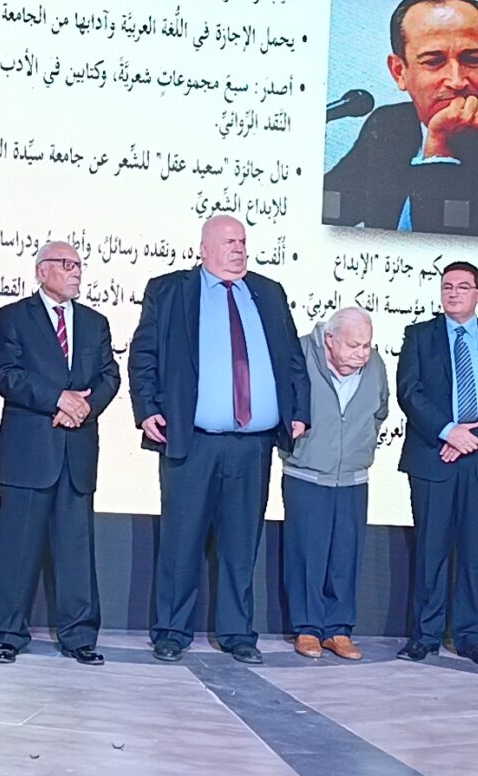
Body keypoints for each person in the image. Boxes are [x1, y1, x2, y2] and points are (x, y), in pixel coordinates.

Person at [129, 216, 310, 665]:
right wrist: (147, 408)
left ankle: (237, 633)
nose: (239, 249)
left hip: (253, 445)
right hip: (194, 442)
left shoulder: (268, 292)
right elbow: (144, 354)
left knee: (241, 544)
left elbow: (291, 358)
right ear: (204, 248)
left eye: (243, 241)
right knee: (181, 541)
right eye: (229, 241)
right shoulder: (170, 290)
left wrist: (300, 412)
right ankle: (172, 631)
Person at [0, 241, 119, 665]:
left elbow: (109, 376)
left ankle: (79, 636)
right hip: (29, 453)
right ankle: (9, 634)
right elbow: (8, 376)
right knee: (18, 548)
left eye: (79, 264)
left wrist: (83, 408)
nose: (76, 271)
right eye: (66, 264)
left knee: (76, 550)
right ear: (42, 271)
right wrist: (58, 399)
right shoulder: (12, 317)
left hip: (77, 452)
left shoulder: (95, 322)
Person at [322, 0, 478, 240]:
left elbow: (443, 250)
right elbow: (331, 208)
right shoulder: (387, 125)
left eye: (473, 59)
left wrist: (439, 150)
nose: (457, 81)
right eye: (433, 62)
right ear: (399, 72)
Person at [395, 261, 478, 665]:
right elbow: (409, 392)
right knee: (430, 551)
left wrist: (470, 438)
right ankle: (425, 635)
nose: (453, 293)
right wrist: (448, 431)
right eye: (447, 286)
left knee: (474, 554)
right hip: (433, 457)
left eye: (463, 287)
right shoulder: (419, 336)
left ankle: (471, 637)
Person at [280, 307, 388, 661]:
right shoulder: (299, 354)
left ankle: (339, 630)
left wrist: (361, 445)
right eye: (354, 345)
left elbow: (380, 411)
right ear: (329, 339)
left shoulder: (375, 365)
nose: (362, 353)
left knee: (345, 555)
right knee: (307, 555)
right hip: (307, 472)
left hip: (353, 476)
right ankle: (308, 629)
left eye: (367, 345)